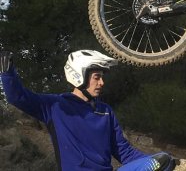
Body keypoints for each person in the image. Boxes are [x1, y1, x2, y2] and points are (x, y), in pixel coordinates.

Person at [0, 50, 175, 171]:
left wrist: (155, 161)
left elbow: (124, 152)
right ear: (79, 76)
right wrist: (8, 74)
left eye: (102, 78)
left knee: (165, 159)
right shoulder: (55, 105)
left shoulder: (105, 111)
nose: (102, 83)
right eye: (97, 77)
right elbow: (18, 97)